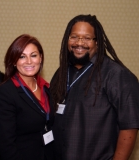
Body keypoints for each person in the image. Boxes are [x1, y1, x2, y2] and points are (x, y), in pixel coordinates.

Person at [50, 14, 139, 160]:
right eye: (74, 37)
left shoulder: (116, 75)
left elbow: (129, 126)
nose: (79, 43)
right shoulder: (61, 73)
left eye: (87, 38)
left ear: (97, 42)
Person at [0, 34, 55, 160]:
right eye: (22, 56)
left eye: (33, 55)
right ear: (14, 61)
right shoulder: (5, 93)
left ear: (40, 58)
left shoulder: (46, 88)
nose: (29, 61)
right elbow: (5, 144)